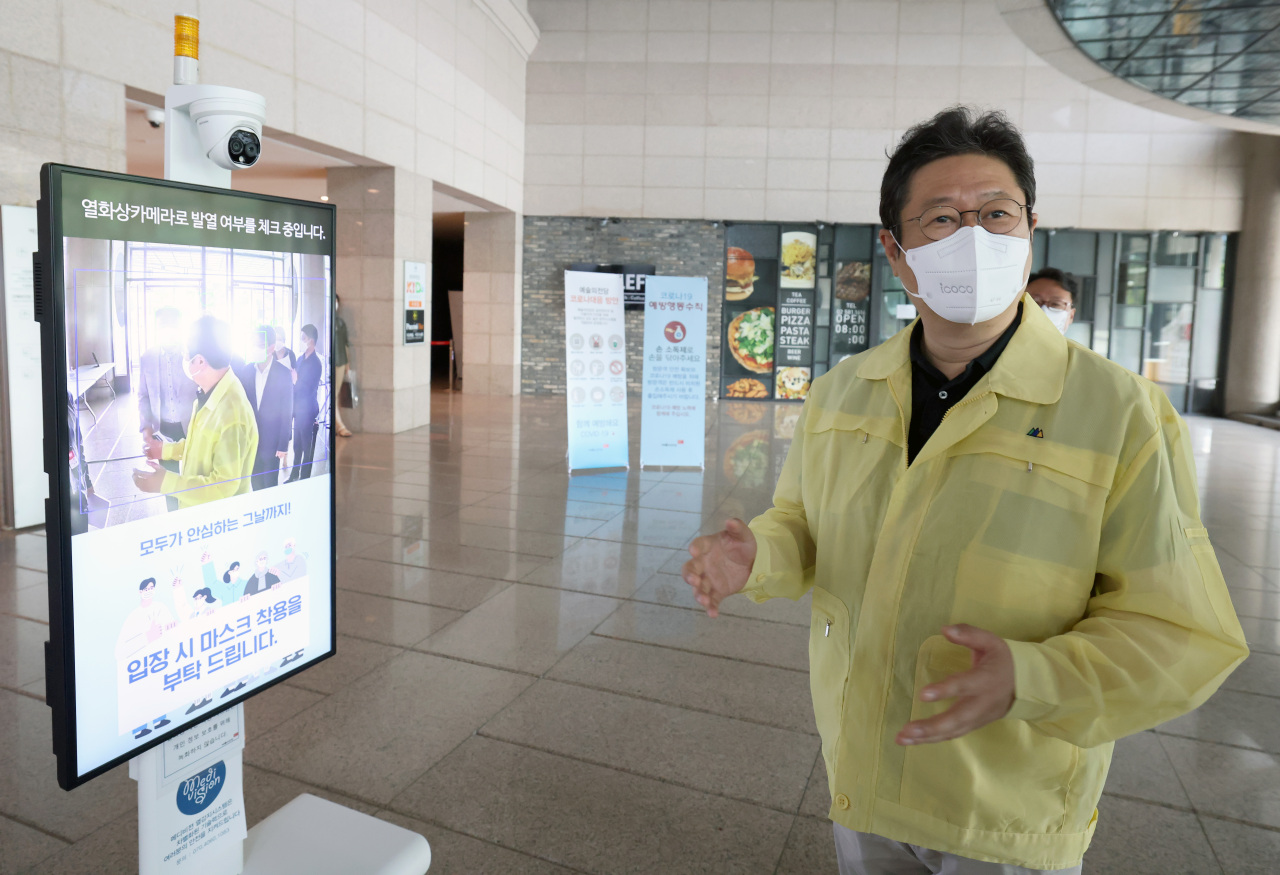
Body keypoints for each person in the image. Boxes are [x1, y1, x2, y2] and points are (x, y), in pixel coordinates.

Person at [683, 107, 1248, 875]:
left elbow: (1182, 628)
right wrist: (759, 557)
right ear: (895, 249)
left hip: (1009, 805)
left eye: (995, 215)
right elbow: (801, 524)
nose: (973, 237)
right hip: (867, 772)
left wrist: (1034, 676)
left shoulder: (1120, 411)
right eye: (942, 218)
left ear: (1029, 230)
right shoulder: (844, 392)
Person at [134, 315, 259, 507]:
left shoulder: (231, 413)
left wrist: (166, 482)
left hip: (217, 520)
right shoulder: (207, 393)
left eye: (186, 356)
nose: (183, 360)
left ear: (200, 361)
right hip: (199, 508)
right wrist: (165, 450)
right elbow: (200, 444)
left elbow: (223, 486)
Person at [137, 307, 200, 511]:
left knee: (195, 476)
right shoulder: (148, 358)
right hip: (163, 429)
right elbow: (143, 396)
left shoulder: (192, 355)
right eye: (163, 326)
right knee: (169, 480)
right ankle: (174, 516)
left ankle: (195, 513)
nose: (168, 331)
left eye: (172, 326)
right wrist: (146, 427)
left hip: (192, 426)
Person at [114, 577, 176, 739]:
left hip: (160, 661)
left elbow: (172, 628)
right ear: (140, 592)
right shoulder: (134, 616)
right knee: (141, 695)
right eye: (146, 589)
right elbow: (119, 651)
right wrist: (147, 637)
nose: (150, 591)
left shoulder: (161, 608)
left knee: (158, 691)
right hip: (140, 666)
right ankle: (140, 728)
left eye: (152, 588)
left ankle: (159, 719)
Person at [235, 325, 294, 491]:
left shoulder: (283, 373)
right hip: (250, 442)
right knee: (255, 483)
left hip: (272, 442)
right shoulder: (246, 371)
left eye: (260, 346)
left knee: (270, 486)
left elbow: (287, 411)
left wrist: (283, 444)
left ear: (271, 348)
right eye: (253, 344)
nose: (255, 349)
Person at [286, 324, 323, 481]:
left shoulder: (316, 363)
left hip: (308, 410)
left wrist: (295, 380)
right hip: (297, 409)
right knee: (297, 445)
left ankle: (304, 478)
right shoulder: (300, 359)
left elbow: (308, 387)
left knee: (307, 446)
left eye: (304, 338)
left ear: (311, 340)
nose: (301, 340)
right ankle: (294, 475)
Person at [1027, 267, 1077, 335]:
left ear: (1071, 316)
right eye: (1034, 302)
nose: (1043, 311)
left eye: (1055, 304)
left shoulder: (1074, 346)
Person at [332, 294, 353, 437]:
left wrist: (347, 364)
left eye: (336, 302)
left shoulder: (340, 323)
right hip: (329, 362)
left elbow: (346, 344)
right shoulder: (324, 320)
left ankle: (338, 425)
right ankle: (339, 426)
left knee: (336, 394)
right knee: (332, 395)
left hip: (340, 362)